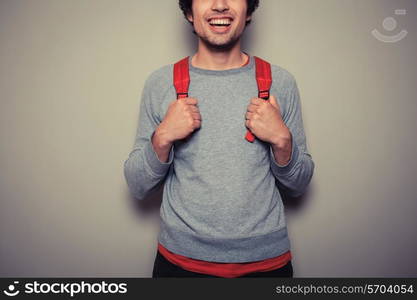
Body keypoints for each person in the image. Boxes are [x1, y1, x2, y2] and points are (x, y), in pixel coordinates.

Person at [123, 0, 314, 278]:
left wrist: (282, 140)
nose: (220, 5)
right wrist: (162, 137)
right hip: (179, 264)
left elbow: (299, 185)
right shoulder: (161, 82)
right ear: (189, 11)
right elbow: (137, 186)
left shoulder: (280, 82)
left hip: (266, 264)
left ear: (248, 10)